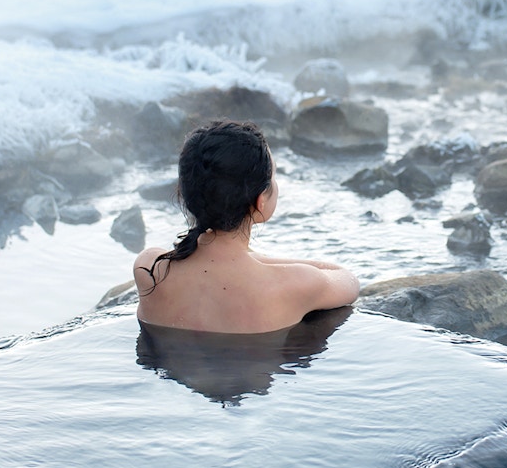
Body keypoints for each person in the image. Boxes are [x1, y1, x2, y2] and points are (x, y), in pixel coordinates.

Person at [133, 120, 359, 333]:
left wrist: (251, 258)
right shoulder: (296, 283)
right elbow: (347, 280)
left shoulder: (150, 268)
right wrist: (257, 259)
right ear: (260, 201)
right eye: (273, 177)